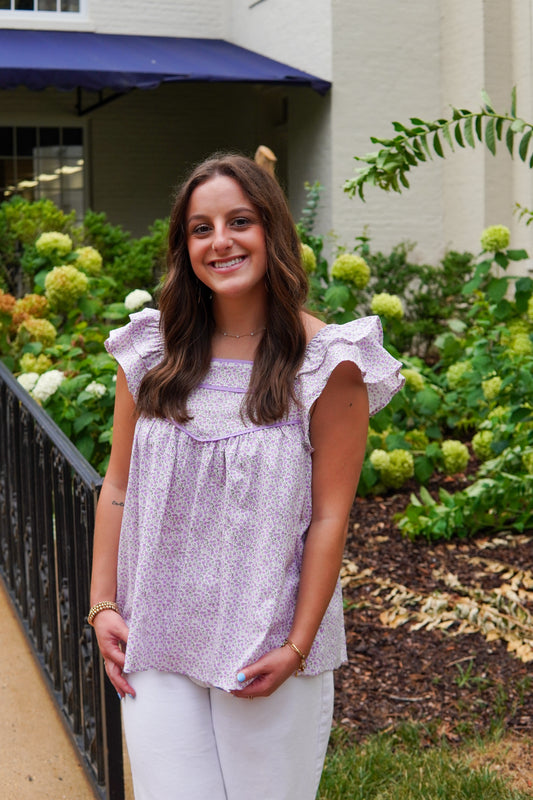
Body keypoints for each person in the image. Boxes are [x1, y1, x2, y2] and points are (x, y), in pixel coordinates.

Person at [88, 153, 403, 800]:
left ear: (272, 232)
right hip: (157, 632)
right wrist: (102, 604)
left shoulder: (327, 363)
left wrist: (293, 646)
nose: (220, 241)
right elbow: (117, 485)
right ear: (184, 247)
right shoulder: (149, 353)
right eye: (200, 228)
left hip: (264, 642)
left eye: (239, 221)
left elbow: (329, 517)